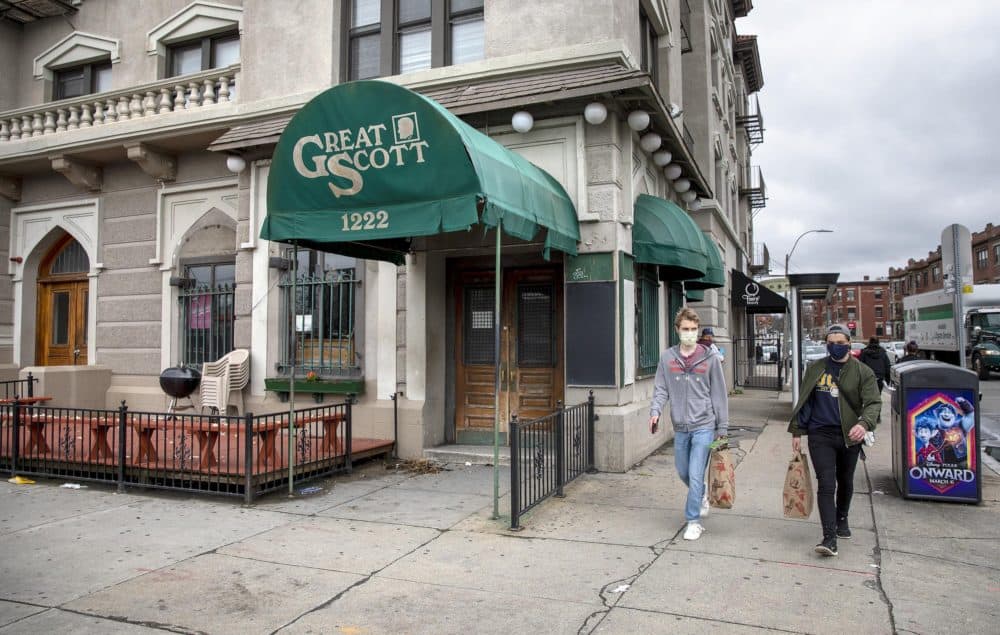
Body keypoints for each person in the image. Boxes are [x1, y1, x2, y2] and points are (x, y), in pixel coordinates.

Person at [788, 324, 881, 557]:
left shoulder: (862, 372)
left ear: (849, 343)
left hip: (850, 436)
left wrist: (864, 424)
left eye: (840, 342)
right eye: (831, 342)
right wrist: (798, 432)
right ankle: (829, 537)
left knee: (845, 480)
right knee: (827, 484)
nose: (835, 346)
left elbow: (873, 403)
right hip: (821, 435)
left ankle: (842, 518)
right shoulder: (816, 368)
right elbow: (806, 401)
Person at [649, 308, 729, 541]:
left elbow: (719, 395)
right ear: (677, 330)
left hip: (704, 424)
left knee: (695, 474)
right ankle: (701, 493)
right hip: (680, 427)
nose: (690, 333)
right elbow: (661, 388)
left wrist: (721, 428)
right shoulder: (667, 358)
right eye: (686, 329)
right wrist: (655, 411)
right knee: (683, 472)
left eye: (694, 329)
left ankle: (693, 521)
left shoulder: (710, 358)